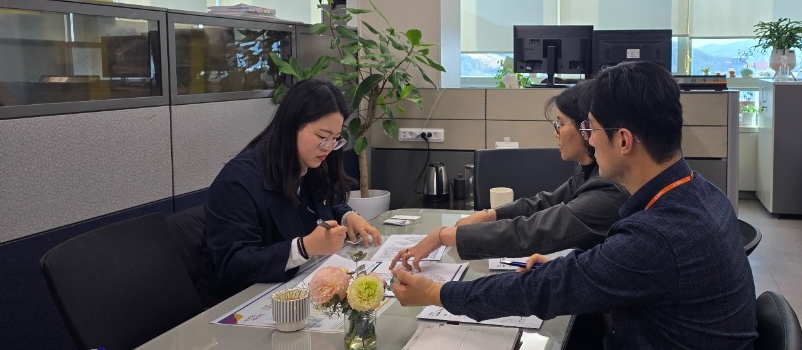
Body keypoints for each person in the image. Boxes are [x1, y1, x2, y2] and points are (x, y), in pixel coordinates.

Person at [391, 61, 756, 349]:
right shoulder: (700, 192)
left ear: (624, 140)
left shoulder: (658, 234)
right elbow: (622, 269)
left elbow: (545, 289)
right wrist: (579, 266)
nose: (590, 142)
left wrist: (438, 293)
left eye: (592, 130)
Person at [390, 81, 628, 269]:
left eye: (560, 124)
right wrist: (489, 215)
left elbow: (534, 230)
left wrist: (445, 236)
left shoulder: (608, 187)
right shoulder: (589, 170)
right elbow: (547, 203)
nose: (556, 133)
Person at [199, 78, 382, 305]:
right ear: (293, 125)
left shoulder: (311, 160)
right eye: (322, 137)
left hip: (297, 289)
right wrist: (304, 248)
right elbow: (234, 266)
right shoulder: (238, 182)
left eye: (335, 139)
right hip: (242, 303)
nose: (328, 147)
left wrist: (347, 215)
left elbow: (326, 198)